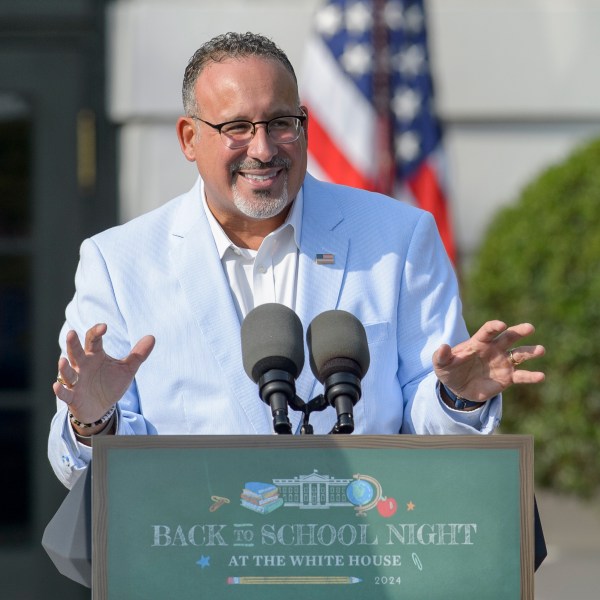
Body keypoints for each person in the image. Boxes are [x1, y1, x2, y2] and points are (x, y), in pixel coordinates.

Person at [48, 32, 545, 490]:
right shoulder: (118, 261)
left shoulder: (397, 237)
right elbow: (84, 470)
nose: (262, 149)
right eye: (237, 127)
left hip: (365, 556)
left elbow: (429, 427)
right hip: (194, 561)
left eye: (281, 123)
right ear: (188, 138)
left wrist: (458, 399)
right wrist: (93, 421)